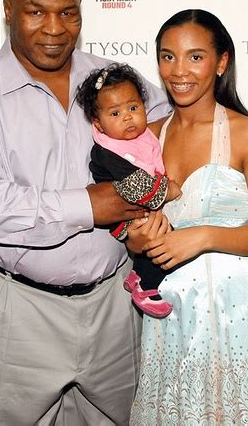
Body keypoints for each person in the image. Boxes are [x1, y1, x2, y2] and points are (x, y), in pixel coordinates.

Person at [0, 0, 248, 426]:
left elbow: (189, 123)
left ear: (82, 11)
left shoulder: (116, 82)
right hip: (14, 312)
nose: (54, 28)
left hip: (114, 311)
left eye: (68, 11)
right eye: (36, 11)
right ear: (7, 11)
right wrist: (88, 205)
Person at [128, 9, 248, 425]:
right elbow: (131, 227)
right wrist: (138, 240)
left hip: (233, 311)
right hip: (168, 311)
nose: (179, 71)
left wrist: (201, 236)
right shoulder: (147, 137)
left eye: (195, 56)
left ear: (221, 62)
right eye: (167, 57)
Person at [76, 62, 181, 318]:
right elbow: (137, 188)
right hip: (123, 216)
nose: (127, 117)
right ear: (98, 125)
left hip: (139, 209)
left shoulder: (144, 138)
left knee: (160, 231)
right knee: (161, 238)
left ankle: (137, 276)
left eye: (133, 108)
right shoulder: (107, 151)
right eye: (115, 114)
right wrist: (169, 191)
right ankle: (146, 286)